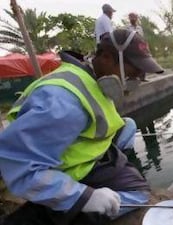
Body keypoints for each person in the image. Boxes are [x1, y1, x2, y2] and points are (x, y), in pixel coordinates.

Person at [0, 28, 164, 225]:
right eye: (135, 70)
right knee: (139, 193)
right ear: (106, 57)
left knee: (128, 126)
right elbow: (20, 168)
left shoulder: (89, 76)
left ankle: (109, 169)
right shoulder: (64, 103)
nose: (139, 78)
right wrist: (83, 197)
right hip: (68, 168)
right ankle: (62, 212)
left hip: (86, 151)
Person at [127, 12, 147, 82]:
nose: (132, 19)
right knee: (133, 63)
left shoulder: (140, 28)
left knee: (143, 62)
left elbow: (142, 38)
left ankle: (143, 78)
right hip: (132, 48)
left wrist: (145, 47)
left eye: (133, 17)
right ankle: (133, 78)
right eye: (131, 18)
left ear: (136, 18)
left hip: (140, 47)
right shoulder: (128, 28)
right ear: (129, 19)